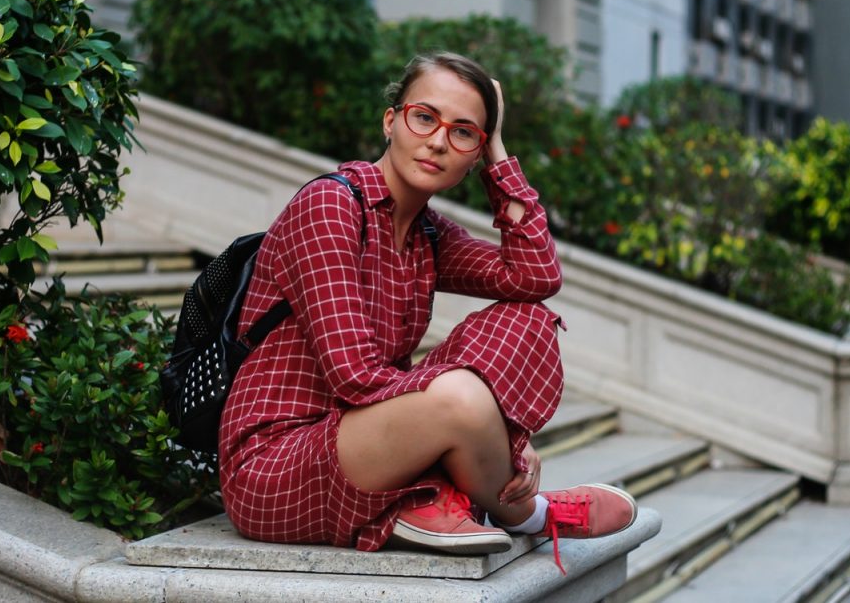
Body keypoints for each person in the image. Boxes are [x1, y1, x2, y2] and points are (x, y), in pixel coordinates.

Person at [218, 52, 636, 572]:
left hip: (368, 435)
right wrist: (488, 432)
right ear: (391, 120)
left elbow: (534, 277)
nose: (439, 141)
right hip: (277, 465)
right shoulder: (329, 207)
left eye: (465, 133)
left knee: (525, 319)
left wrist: (500, 155)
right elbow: (354, 378)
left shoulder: (427, 235)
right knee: (460, 396)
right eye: (424, 117)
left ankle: (436, 496)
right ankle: (532, 513)